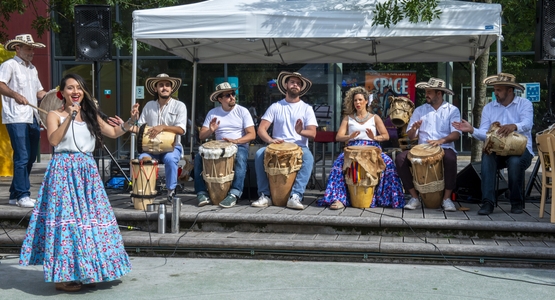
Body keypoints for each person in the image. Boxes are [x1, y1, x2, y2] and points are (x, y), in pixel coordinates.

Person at [19, 73, 135, 292]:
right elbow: (53, 140)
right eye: (71, 88)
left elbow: (112, 132)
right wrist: (69, 118)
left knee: (90, 223)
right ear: (62, 93)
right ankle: (62, 277)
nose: (75, 92)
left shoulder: (90, 114)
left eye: (79, 88)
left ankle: (87, 270)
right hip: (64, 171)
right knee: (68, 225)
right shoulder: (54, 114)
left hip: (87, 173)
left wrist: (130, 122)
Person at [453, 73, 533, 215]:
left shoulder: (524, 104)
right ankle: (487, 203)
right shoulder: (489, 108)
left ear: (510, 91)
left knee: (514, 163)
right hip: (498, 151)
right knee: (487, 157)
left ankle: (516, 202)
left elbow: (528, 123)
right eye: (495, 89)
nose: (495, 93)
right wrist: (472, 130)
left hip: (521, 150)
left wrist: (513, 126)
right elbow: (485, 134)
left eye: (499, 90)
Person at [317, 87, 405, 209]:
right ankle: (338, 199)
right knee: (338, 165)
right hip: (352, 149)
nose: (357, 103)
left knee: (389, 164)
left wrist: (374, 137)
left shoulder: (375, 117)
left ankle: (388, 198)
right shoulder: (348, 118)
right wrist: (350, 136)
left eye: (360, 100)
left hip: (372, 147)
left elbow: (386, 136)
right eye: (355, 100)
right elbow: (338, 137)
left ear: (366, 101)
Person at [251, 71, 317, 210]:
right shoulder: (276, 107)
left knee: (309, 158)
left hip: (299, 146)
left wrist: (300, 132)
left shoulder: (306, 108)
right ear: (286, 85)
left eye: (298, 84)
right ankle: (265, 195)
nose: (295, 85)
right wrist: (270, 140)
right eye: (292, 82)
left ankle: (296, 196)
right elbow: (261, 129)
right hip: (277, 145)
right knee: (259, 154)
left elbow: (313, 133)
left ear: (301, 88)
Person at [395, 78, 461, 212]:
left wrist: (440, 141)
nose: (426, 95)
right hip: (422, 149)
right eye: (426, 92)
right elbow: (411, 136)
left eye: (429, 92)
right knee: (400, 158)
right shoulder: (420, 110)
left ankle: (447, 199)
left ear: (439, 93)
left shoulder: (452, 110)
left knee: (450, 158)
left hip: (444, 146)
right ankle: (414, 197)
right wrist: (414, 129)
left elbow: (456, 134)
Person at [0, 34, 47, 208]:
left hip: (32, 116)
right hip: (16, 116)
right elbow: (0, 84)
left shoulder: (32, 69)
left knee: (30, 157)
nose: (32, 51)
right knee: (22, 156)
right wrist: (15, 95)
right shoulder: (9, 65)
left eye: (32, 48)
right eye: (28, 48)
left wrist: (55, 96)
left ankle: (14, 194)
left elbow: (39, 92)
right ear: (17, 48)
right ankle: (23, 195)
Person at [194, 82, 256, 208]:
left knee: (241, 157)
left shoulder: (243, 111)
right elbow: (201, 136)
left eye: (233, 94)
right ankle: (201, 192)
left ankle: (234, 193)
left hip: (239, 145)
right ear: (220, 99)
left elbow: (252, 134)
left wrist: (236, 141)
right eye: (228, 95)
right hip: (219, 147)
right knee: (198, 157)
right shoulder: (213, 112)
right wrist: (211, 130)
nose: (232, 97)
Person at [131, 73, 187, 201]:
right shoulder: (149, 105)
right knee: (141, 160)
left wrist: (162, 127)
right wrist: (130, 121)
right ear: (156, 88)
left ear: (172, 89)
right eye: (161, 85)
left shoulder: (180, 106)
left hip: (172, 148)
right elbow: (139, 129)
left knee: (170, 160)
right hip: (150, 149)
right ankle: (143, 192)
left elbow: (181, 130)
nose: (164, 88)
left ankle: (171, 192)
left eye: (167, 85)